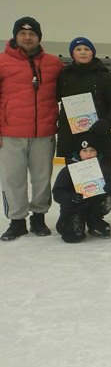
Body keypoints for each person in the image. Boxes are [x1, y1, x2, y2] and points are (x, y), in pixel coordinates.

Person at [0, 17, 63, 241]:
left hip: (43, 133)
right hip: (10, 134)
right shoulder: (2, 62)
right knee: (12, 179)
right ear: (15, 36)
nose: (27, 38)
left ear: (39, 37)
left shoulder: (53, 63)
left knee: (42, 179)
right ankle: (16, 221)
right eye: (23, 33)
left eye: (32, 34)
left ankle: (39, 217)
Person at [55, 36, 111, 183]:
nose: (82, 52)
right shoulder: (64, 76)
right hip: (71, 138)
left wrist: (107, 122)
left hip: (98, 136)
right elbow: (53, 99)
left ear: (93, 53)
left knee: (105, 181)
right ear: (72, 53)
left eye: (86, 49)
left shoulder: (104, 77)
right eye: (78, 49)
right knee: (75, 182)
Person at [51, 132, 111, 243]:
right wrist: (70, 197)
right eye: (84, 150)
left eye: (92, 150)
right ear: (78, 152)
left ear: (97, 152)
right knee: (73, 237)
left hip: (95, 207)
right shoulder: (68, 170)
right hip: (75, 208)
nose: (88, 154)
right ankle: (68, 221)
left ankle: (93, 219)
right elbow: (57, 193)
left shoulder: (105, 169)